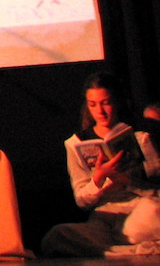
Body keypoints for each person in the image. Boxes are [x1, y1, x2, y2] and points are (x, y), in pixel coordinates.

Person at [41, 72, 160, 256]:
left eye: (106, 103)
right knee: (57, 236)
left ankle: (111, 251)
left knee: (148, 217)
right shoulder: (75, 143)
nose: (100, 111)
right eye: (93, 104)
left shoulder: (140, 136)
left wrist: (128, 179)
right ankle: (133, 250)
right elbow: (81, 200)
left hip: (140, 209)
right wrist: (98, 180)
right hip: (105, 217)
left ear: (117, 102)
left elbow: (157, 178)